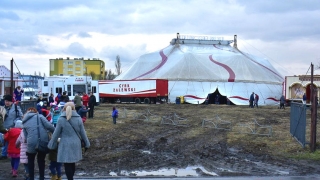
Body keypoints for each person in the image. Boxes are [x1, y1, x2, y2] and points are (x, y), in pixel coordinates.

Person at [48, 102, 90, 180]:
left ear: (64, 109)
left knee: (67, 164)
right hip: (76, 144)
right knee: (72, 163)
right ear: (74, 108)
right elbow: (83, 133)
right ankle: (71, 178)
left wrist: (51, 144)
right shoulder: (78, 118)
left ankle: (70, 178)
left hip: (65, 144)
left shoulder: (61, 119)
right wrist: (87, 144)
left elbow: (56, 134)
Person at [22, 107, 55, 180]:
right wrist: (55, 133)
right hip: (42, 141)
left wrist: (30, 141)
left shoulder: (24, 121)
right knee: (41, 160)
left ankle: (31, 177)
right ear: (35, 112)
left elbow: (26, 135)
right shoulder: (40, 116)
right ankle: (42, 177)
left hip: (31, 142)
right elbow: (49, 126)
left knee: (30, 160)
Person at [0, 95, 23, 160]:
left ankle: (6, 154)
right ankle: (5, 153)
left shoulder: (16, 108)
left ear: (11, 102)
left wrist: (15, 122)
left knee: (10, 141)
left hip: (13, 128)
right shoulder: (2, 108)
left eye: (8, 101)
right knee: (4, 140)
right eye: (5, 101)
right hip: (4, 127)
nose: (6, 102)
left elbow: (20, 116)